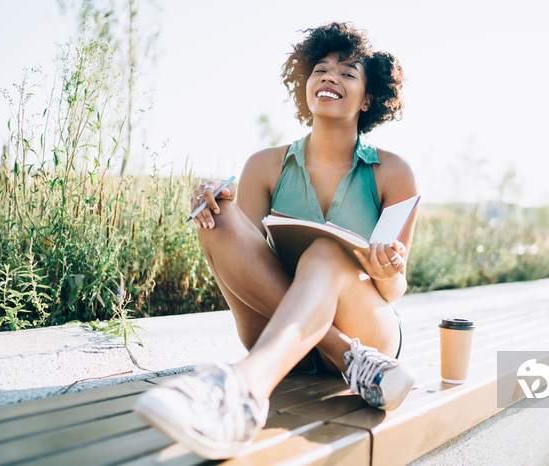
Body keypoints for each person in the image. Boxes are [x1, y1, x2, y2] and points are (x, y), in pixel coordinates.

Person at [133, 22, 419, 460]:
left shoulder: (391, 172)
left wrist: (388, 270)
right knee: (216, 217)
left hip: (370, 330)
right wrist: (212, 204)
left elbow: (397, 289)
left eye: (347, 73)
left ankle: (243, 391)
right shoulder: (265, 165)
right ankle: (346, 359)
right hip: (278, 322)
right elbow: (243, 262)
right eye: (320, 69)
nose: (329, 77)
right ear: (305, 85)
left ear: (368, 98)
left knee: (325, 252)